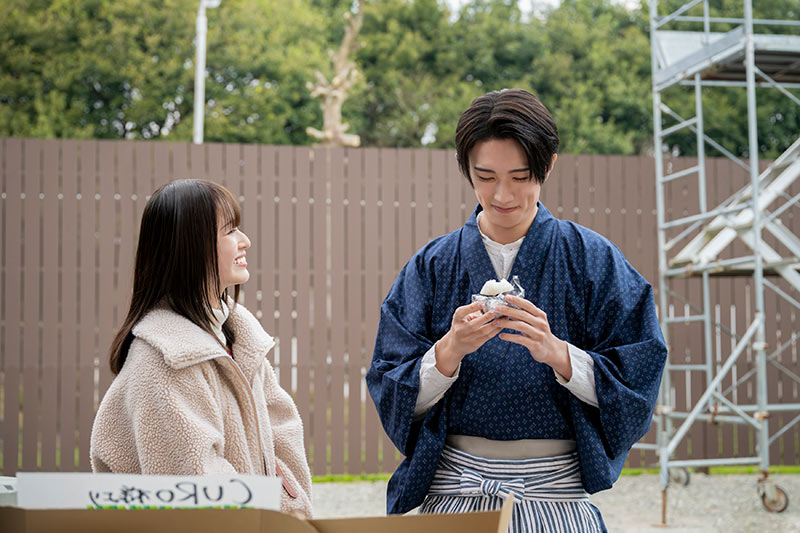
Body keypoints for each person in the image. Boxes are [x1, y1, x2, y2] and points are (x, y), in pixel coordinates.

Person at [366, 89, 667, 531]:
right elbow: (388, 384)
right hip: (457, 494)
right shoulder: (433, 265)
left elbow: (639, 378)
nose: (502, 194)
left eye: (520, 177)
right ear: (465, 169)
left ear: (548, 166)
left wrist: (559, 354)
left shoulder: (592, 259)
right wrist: (448, 352)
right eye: (485, 176)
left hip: (556, 498)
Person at [90, 179, 312, 517]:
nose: (245, 240)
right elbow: (199, 492)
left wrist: (289, 509)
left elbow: (283, 433)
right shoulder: (164, 360)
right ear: (191, 246)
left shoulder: (239, 340)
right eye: (230, 231)